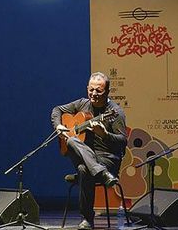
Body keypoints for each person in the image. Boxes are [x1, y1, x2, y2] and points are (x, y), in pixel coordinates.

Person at [51, 72, 127, 230]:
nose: (94, 94)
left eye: (98, 91)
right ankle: (100, 173)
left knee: (83, 169)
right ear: (87, 89)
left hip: (108, 159)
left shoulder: (115, 112)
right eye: (91, 90)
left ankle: (86, 220)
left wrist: (105, 135)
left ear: (107, 91)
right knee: (71, 140)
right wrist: (58, 125)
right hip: (91, 159)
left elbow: (122, 142)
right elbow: (57, 110)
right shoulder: (82, 104)